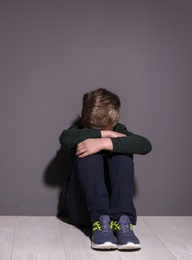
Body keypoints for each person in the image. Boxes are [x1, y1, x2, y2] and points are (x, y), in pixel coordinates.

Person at [59, 88, 152, 250]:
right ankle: (100, 222)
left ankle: (122, 222)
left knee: (122, 154)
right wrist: (103, 136)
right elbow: (65, 138)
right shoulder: (76, 131)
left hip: (114, 212)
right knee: (87, 151)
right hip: (84, 210)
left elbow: (145, 145)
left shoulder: (118, 129)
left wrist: (107, 143)